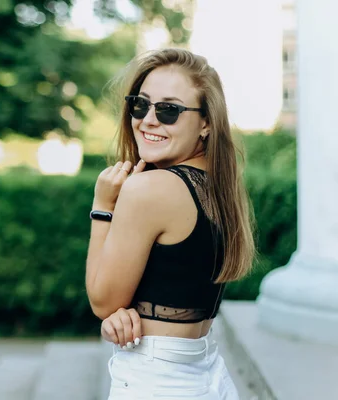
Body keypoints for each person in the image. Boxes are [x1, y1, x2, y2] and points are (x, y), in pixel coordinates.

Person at [85, 48, 255, 399]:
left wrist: (102, 207)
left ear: (206, 122)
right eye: (140, 104)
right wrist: (122, 313)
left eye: (169, 110)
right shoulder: (219, 187)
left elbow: (103, 302)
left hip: (157, 380)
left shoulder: (149, 188)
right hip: (206, 374)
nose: (148, 120)